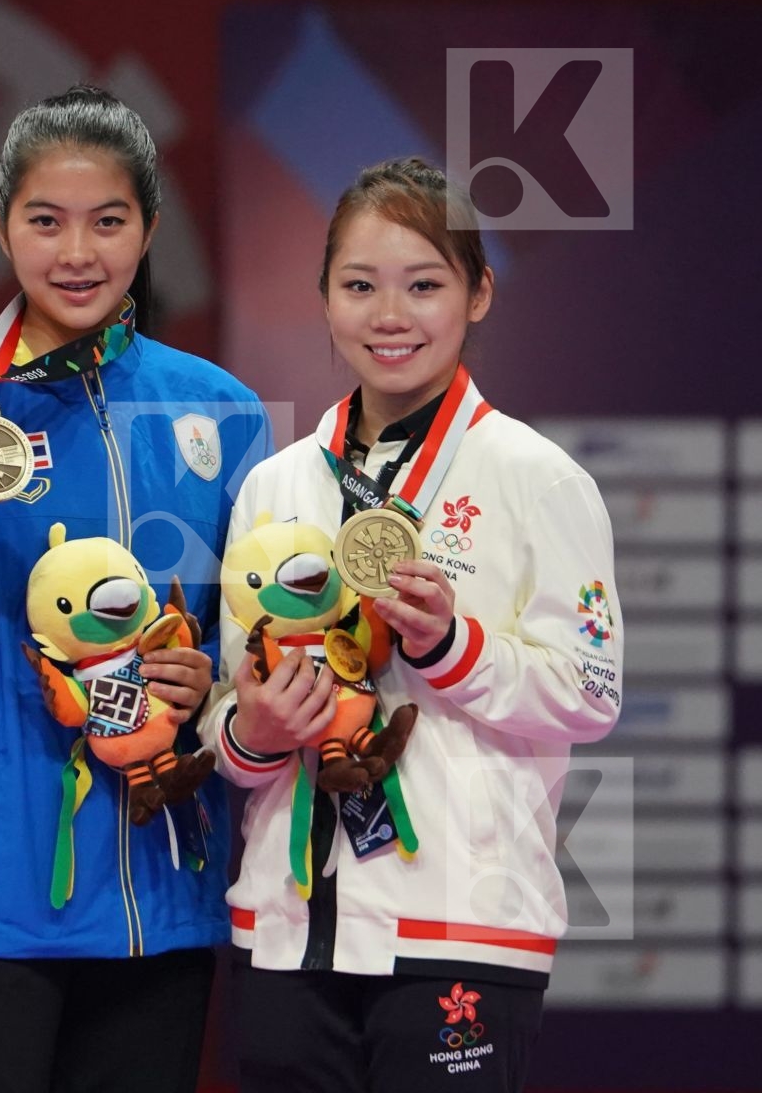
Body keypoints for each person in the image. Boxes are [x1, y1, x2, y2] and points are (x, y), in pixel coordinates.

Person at [0, 85, 272, 1093]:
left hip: (155, 894)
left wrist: (201, 670)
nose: (76, 251)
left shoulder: (224, 414)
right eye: (46, 220)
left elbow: (261, 649)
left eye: (108, 221)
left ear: (150, 229)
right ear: (0, 227)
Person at [204, 158, 622, 1093]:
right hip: (285, 932)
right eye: (359, 286)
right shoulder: (276, 487)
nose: (389, 315)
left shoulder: (536, 478)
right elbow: (231, 708)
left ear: (478, 294)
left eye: (424, 284)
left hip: (460, 925)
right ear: (323, 299)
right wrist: (255, 732)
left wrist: (447, 646)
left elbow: (590, 693)